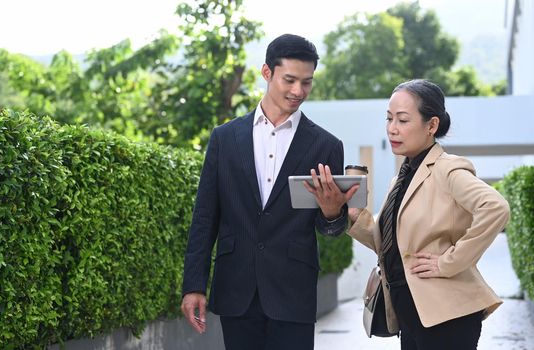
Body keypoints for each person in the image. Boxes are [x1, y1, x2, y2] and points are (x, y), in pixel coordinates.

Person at [180, 34, 357, 350]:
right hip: (236, 287)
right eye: (289, 80)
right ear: (266, 73)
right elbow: (205, 216)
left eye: (307, 82)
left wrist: (332, 211)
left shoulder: (326, 145)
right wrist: (193, 285)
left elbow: (330, 228)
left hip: (293, 291)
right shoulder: (225, 138)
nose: (298, 91)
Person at [348, 79, 510, 350]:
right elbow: (389, 243)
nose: (392, 129)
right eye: (389, 119)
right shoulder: (401, 177)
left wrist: (449, 262)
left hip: (446, 314)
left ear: (431, 125)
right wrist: (353, 216)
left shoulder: (447, 168)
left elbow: (496, 208)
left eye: (402, 120)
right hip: (410, 312)